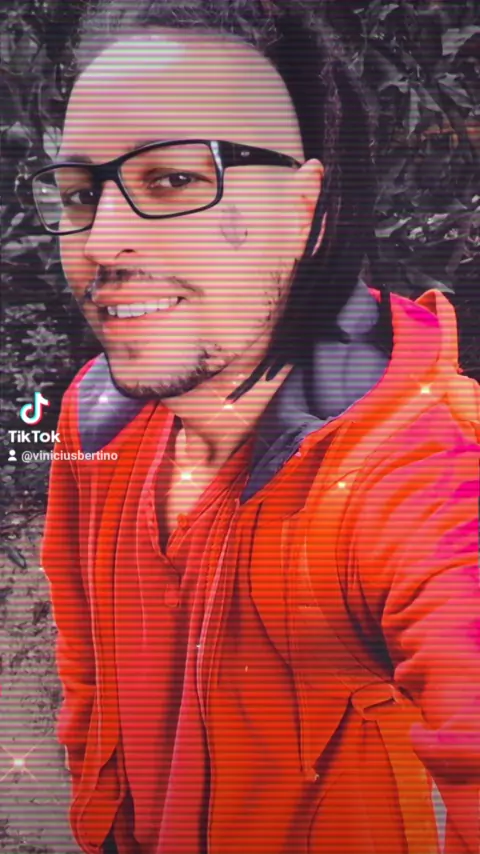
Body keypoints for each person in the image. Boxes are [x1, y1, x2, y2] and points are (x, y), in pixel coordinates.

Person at [36, 2, 480, 853]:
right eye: (81, 193)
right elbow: (88, 668)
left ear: (305, 207)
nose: (102, 239)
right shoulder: (97, 415)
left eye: (175, 180)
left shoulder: (426, 475)